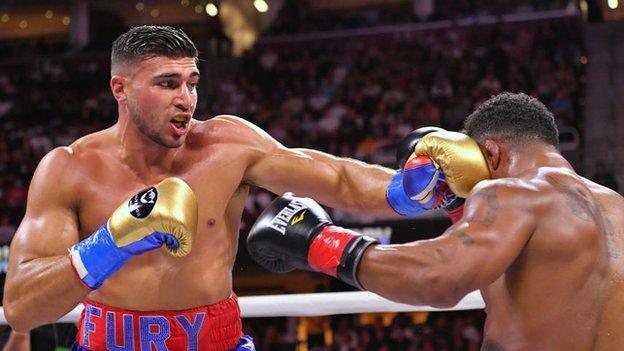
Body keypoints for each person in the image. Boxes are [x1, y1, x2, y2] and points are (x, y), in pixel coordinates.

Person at [3, 25, 448, 351]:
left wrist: (403, 191)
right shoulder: (69, 168)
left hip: (217, 340)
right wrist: (113, 241)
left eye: (191, 83)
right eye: (167, 84)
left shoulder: (227, 145)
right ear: (120, 88)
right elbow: (22, 306)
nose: (186, 98)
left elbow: (336, 177)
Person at [248, 92, 624, 349]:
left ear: (490, 152)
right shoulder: (615, 207)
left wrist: (321, 242)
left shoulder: (513, 193)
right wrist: (457, 209)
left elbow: (439, 278)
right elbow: (532, 286)